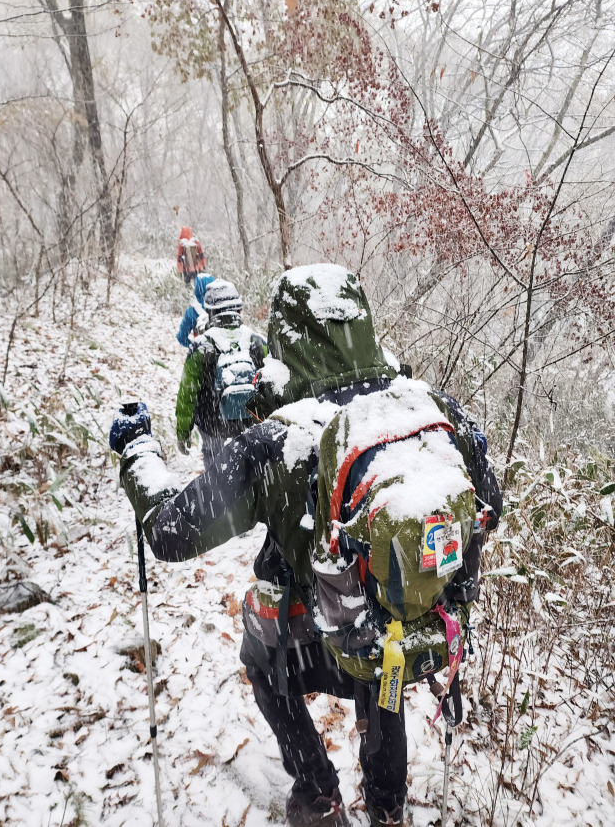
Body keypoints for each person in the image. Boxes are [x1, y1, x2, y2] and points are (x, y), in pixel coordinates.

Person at [110, 264, 502, 827]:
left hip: (306, 635)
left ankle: (319, 796)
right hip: (396, 628)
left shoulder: (278, 440)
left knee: (261, 661)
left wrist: (137, 451)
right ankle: (388, 806)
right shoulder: (434, 413)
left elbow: (172, 532)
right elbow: (491, 504)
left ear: (286, 341)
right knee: (382, 674)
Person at [175, 278, 268, 470]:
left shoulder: (201, 346)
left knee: (214, 464)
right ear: (239, 310)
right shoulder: (257, 341)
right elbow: (272, 385)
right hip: (250, 419)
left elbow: (188, 393)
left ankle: (217, 495)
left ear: (209, 313)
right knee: (251, 463)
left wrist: (183, 432)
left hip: (212, 424)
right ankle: (251, 492)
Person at [176, 271, 215, 347]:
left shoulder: (192, 312)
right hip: (223, 355)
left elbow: (181, 338)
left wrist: (194, 347)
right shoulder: (222, 307)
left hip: (202, 355)